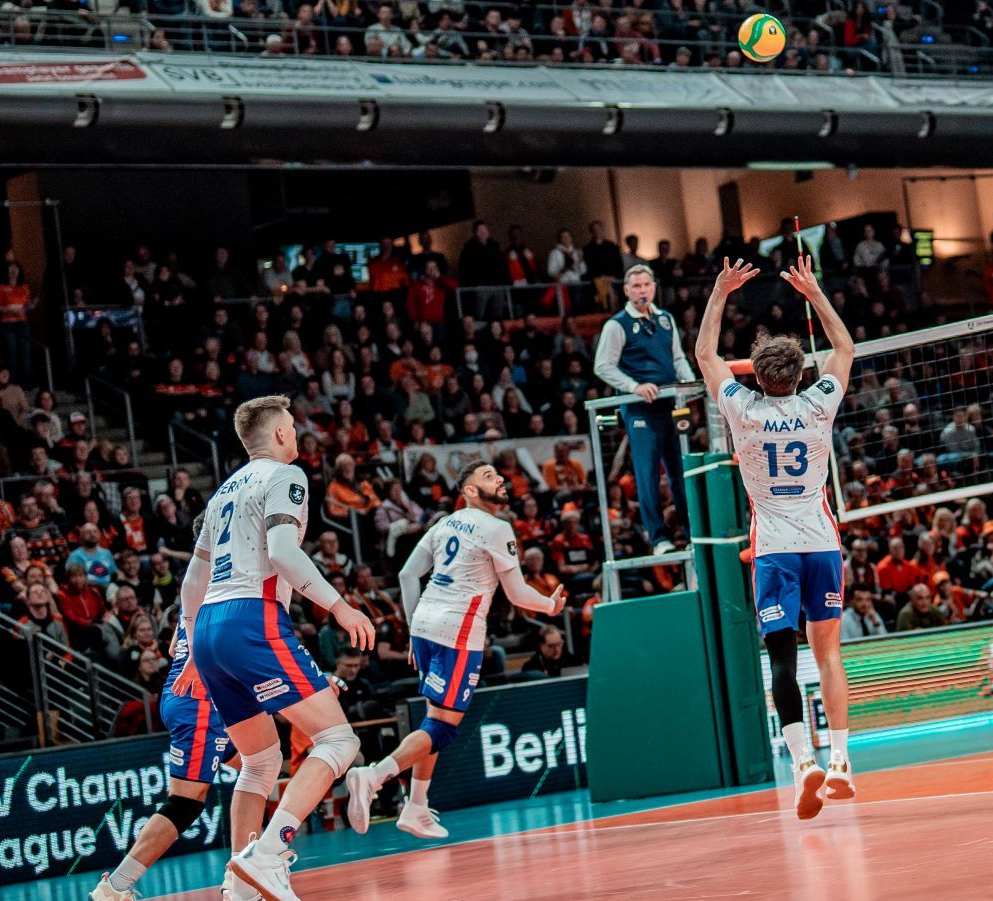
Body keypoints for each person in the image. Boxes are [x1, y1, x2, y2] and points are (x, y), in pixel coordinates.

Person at [183, 395, 378, 901]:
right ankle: (269, 853)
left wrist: (192, 650)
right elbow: (283, 553)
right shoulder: (285, 477)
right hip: (252, 618)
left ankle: (242, 898)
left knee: (260, 762)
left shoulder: (222, 493)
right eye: (291, 425)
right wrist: (339, 606)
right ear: (278, 435)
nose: (296, 432)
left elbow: (193, 581)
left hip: (209, 630)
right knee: (339, 741)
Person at [696, 255, 856, 819]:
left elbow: (706, 355)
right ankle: (841, 762)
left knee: (783, 661)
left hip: (774, 551)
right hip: (821, 543)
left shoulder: (742, 409)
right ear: (798, 374)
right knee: (828, 654)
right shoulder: (818, 403)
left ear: (758, 377)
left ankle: (802, 761)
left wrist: (721, 291)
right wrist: (813, 292)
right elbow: (844, 348)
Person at [344, 460, 568, 839]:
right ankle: (374, 775)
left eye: (497, 474)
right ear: (469, 491)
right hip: (458, 632)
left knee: (434, 719)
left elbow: (407, 574)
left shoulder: (444, 522)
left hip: (426, 625)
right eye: (488, 476)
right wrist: (550, 606)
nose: (499, 478)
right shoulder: (497, 528)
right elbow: (516, 594)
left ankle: (416, 806)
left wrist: (412, 629)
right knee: (444, 729)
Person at [89, 619, 263, 901]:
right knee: (186, 802)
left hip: (185, 692)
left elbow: (173, 647)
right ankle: (117, 886)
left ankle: (250, 868)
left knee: (257, 765)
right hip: (200, 703)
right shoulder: (232, 598)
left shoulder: (198, 594)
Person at [593, 264, 694, 553]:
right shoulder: (617, 324)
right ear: (626, 291)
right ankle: (659, 538)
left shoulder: (665, 319)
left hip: (671, 404)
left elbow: (677, 358)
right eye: (636, 286)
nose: (642, 291)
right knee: (647, 472)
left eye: (646, 285)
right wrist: (634, 386)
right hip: (640, 409)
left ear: (654, 287)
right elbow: (603, 366)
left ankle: (691, 532)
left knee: (679, 472)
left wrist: (689, 382)